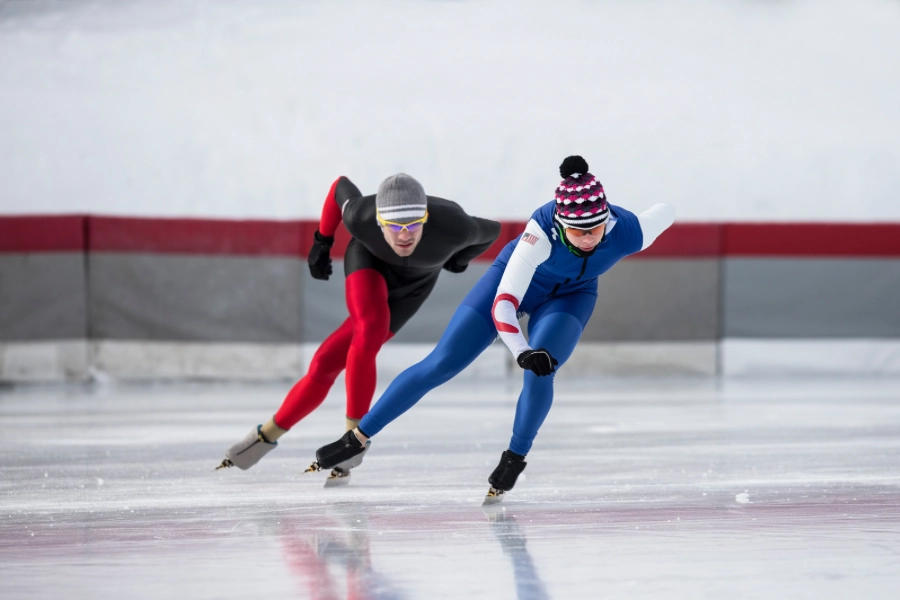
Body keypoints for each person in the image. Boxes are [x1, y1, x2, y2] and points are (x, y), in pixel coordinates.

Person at [311, 156, 675, 500]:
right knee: (443, 362)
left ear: (607, 219)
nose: (587, 239)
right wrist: (521, 351)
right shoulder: (540, 234)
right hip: (513, 284)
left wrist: (535, 357)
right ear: (560, 223)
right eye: (576, 231)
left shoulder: (628, 231)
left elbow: (665, 212)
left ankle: (515, 457)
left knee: (542, 371)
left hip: (572, 296)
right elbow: (505, 305)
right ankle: (357, 437)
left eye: (594, 229)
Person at [218, 173, 501, 484]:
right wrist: (322, 241)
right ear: (378, 221)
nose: (403, 236)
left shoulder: (454, 226)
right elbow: (339, 185)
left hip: (413, 289)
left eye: (413, 225)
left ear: (426, 218)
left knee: (328, 360)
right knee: (368, 330)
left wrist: (461, 259)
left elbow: (493, 232)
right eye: (393, 226)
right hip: (368, 262)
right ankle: (342, 441)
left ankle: (287, 438)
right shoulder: (360, 215)